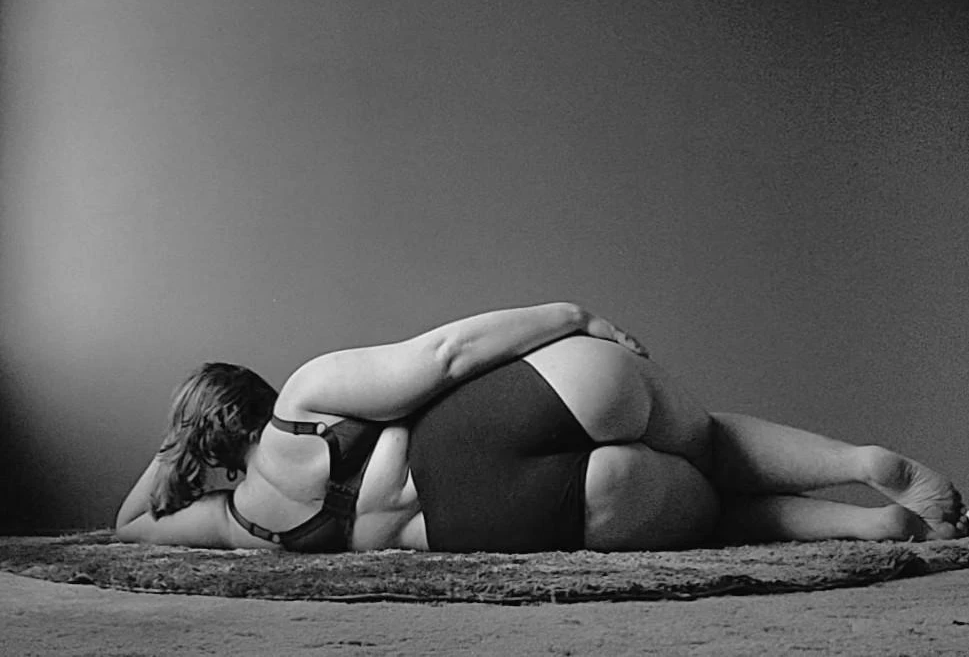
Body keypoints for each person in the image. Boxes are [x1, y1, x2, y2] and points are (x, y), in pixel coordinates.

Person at [116, 302, 968, 553]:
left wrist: (174, 445)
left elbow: (127, 526)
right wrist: (571, 314)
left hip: (510, 512)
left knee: (707, 516)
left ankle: (867, 528)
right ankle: (861, 463)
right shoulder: (305, 398)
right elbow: (447, 354)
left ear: (197, 441)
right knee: (707, 443)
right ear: (256, 396)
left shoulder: (235, 528)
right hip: (502, 422)